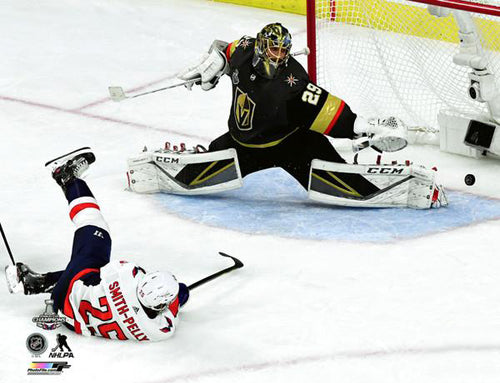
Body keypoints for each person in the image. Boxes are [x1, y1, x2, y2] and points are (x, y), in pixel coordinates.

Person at [126, 23, 447, 209]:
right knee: (196, 179)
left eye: (284, 51)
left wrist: (367, 128)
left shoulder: (292, 84)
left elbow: (332, 114)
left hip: (292, 145)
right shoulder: (244, 49)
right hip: (242, 146)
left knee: (347, 188)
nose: (280, 57)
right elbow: (225, 47)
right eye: (274, 50)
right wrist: (214, 62)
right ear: (262, 47)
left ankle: (417, 187)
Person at [5, 148, 189, 342]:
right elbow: (181, 296)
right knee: (92, 282)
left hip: (67, 292)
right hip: (69, 319)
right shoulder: (159, 331)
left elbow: (109, 270)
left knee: (95, 229)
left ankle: (67, 176)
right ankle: (39, 282)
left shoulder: (128, 276)